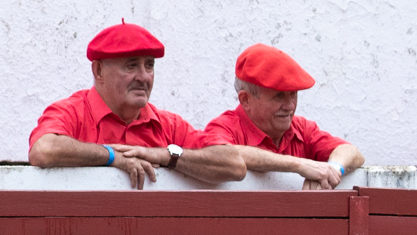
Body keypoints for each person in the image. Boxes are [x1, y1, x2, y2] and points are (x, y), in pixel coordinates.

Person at [28, 20, 245, 189]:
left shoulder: (167, 124)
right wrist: (111, 156)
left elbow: (234, 165)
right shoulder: (72, 111)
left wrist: (164, 155)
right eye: (131, 66)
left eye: (149, 66)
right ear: (99, 71)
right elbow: (43, 150)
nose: (144, 77)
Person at [205, 44, 364, 190]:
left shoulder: (301, 128)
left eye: (293, 94)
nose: (290, 106)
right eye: (278, 96)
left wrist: (332, 170)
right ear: (246, 99)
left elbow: (351, 152)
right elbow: (220, 154)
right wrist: (299, 165)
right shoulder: (224, 127)